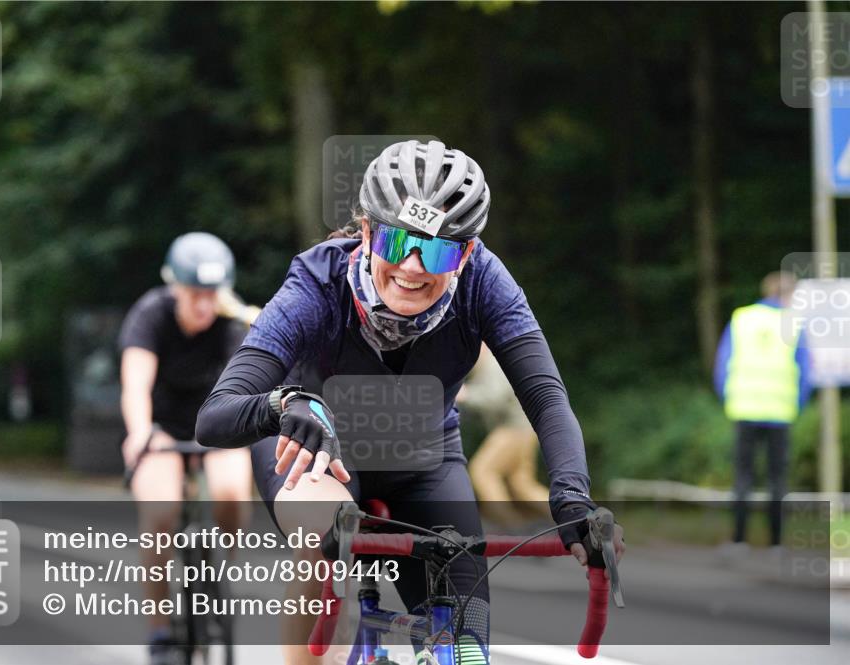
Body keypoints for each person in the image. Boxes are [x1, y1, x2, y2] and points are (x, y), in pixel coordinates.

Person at [196, 140, 625, 664]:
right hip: (314, 448)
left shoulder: (486, 283)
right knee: (323, 546)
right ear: (368, 232)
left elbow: (545, 396)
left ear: (465, 254)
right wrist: (283, 404)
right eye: (399, 243)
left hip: (424, 459)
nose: (415, 267)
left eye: (441, 249)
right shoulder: (317, 281)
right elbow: (216, 416)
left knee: (468, 645)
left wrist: (572, 501)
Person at [119, 232, 256, 665]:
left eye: (211, 295)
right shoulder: (150, 314)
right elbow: (135, 382)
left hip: (217, 427)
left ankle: (219, 576)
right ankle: (160, 629)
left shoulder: (232, 321)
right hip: (162, 429)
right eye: (194, 294)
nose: (203, 306)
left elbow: (248, 384)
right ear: (174, 287)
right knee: (159, 514)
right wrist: (140, 433)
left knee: (233, 492)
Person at [714, 271, 811, 553]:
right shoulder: (794, 324)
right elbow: (806, 373)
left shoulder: (742, 318)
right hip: (780, 413)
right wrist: (797, 405)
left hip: (744, 409)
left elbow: (722, 364)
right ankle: (776, 544)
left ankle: (739, 540)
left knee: (742, 478)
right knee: (777, 481)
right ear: (790, 294)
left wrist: (729, 398)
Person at [462, 343, 551, 526]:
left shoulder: (493, 365)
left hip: (513, 428)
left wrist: (465, 395)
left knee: (482, 471)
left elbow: (495, 398)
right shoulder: (486, 368)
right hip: (524, 428)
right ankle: (581, 517)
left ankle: (513, 527)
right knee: (522, 484)